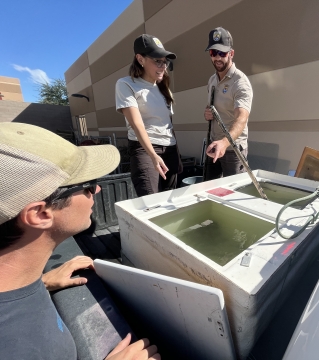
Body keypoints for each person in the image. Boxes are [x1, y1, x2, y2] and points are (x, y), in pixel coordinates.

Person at [0, 122, 160, 360]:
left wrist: (40, 283)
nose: (96, 190)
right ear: (40, 214)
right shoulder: (19, 345)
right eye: (86, 186)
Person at [116, 34, 182, 196]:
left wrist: (176, 155)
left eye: (165, 62)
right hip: (145, 151)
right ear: (140, 59)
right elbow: (136, 124)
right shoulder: (126, 84)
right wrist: (153, 156)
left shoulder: (163, 88)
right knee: (150, 202)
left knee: (169, 201)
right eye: (157, 61)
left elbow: (168, 124)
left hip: (170, 149)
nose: (163, 66)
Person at [204, 27, 253, 180]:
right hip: (213, 146)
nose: (217, 58)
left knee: (233, 193)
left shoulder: (240, 82)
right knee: (209, 191)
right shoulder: (212, 80)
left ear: (231, 53)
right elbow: (215, 109)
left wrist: (224, 143)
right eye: (213, 53)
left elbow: (241, 119)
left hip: (233, 150)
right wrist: (208, 113)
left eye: (222, 53)